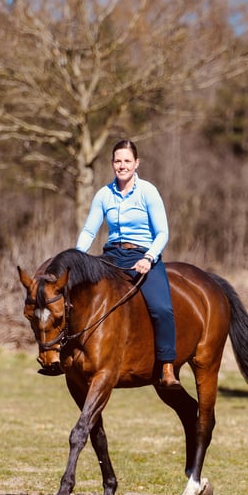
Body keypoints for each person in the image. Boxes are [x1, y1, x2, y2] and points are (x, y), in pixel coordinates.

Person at [72, 139, 181, 388]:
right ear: (112, 164)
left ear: (136, 163)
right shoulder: (104, 194)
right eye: (118, 161)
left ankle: (166, 366)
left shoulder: (148, 192)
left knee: (162, 309)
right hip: (111, 257)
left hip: (144, 256)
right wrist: (77, 258)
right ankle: (67, 357)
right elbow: (90, 230)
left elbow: (162, 232)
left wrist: (149, 258)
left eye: (127, 161)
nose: (122, 166)